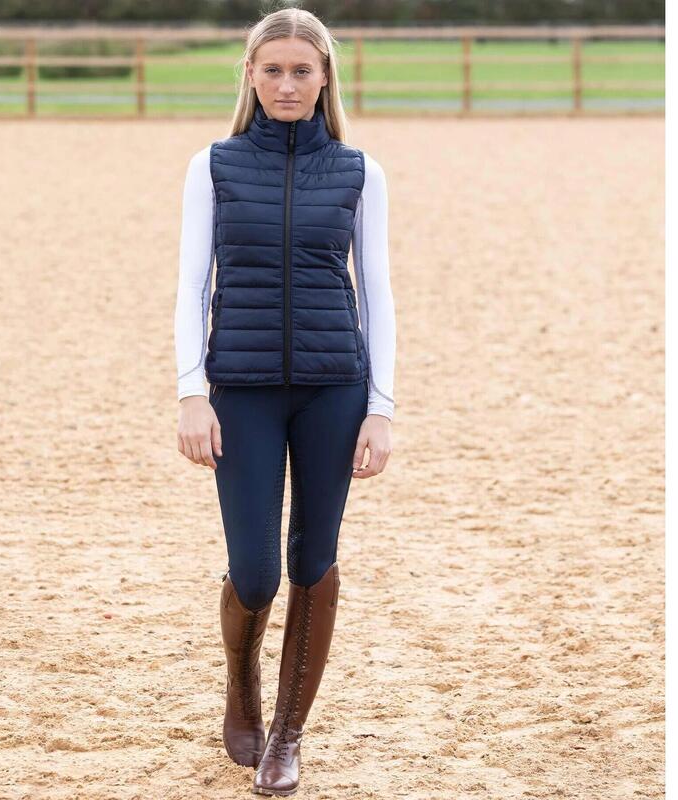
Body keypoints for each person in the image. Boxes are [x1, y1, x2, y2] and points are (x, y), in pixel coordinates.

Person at [174, 8, 396, 796]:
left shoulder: (361, 172)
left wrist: (382, 405)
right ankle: (241, 686)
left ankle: (287, 735)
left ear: (326, 76)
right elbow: (190, 286)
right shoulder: (213, 166)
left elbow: (379, 294)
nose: (288, 84)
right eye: (273, 70)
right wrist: (191, 392)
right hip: (242, 392)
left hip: (335, 388)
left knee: (314, 559)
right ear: (251, 75)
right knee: (256, 571)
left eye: (303, 70)